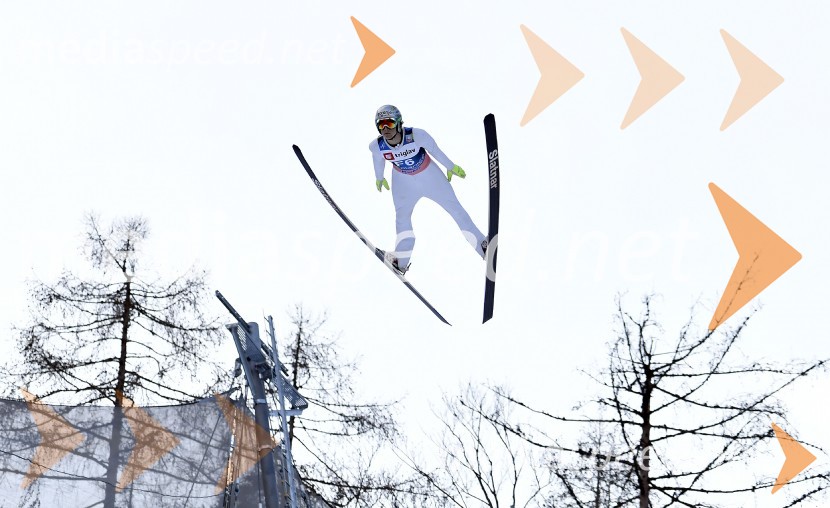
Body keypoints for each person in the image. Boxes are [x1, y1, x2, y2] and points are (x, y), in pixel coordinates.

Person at [369, 104, 487, 275]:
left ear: (399, 123)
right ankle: (400, 261)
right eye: (381, 124)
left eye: (390, 123)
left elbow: (435, 151)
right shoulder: (377, 146)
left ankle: (484, 247)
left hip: (430, 176)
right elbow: (378, 161)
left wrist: (451, 166)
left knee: (456, 210)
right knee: (402, 219)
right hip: (403, 182)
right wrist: (379, 178)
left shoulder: (417, 135)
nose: (386, 128)